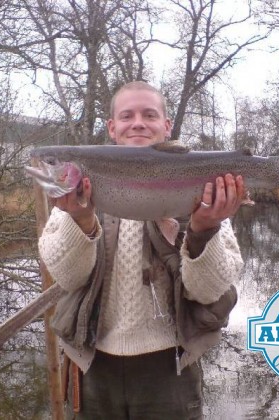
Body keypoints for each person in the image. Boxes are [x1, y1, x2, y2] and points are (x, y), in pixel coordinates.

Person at [39, 81, 245, 419]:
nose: (138, 122)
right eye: (127, 115)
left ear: (167, 126)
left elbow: (208, 290)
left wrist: (204, 228)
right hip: (93, 362)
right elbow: (67, 277)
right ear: (112, 127)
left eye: (149, 114)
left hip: (171, 367)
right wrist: (79, 218)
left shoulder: (200, 186)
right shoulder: (76, 193)